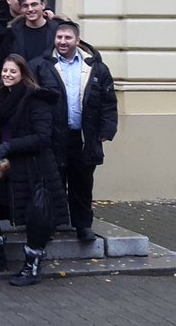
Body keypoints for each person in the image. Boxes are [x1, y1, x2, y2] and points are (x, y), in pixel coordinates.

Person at [0, 55, 68, 287]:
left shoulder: (36, 98)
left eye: (12, 71)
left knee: (36, 217)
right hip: (4, 165)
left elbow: (42, 138)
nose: (7, 75)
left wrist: (11, 146)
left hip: (33, 167)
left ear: (23, 74)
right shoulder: (4, 97)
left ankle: (32, 267)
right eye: (5, 71)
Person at [31, 21, 118, 243]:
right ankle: (50, 225)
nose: (62, 42)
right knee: (53, 182)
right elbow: (32, 101)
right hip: (53, 136)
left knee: (82, 183)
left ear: (77, 40)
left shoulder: (96, 68)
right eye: (59, 37)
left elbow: (108, 101)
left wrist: (107, 129)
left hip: (84, 136)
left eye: (67, 38)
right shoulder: (40, 66)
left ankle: (83, 225)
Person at [0, 0, 59, 64]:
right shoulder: (12, 34)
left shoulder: (57, 31)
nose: (30, 9)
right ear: (21, 9)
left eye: (34, 4)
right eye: (25, 6)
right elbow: (4, 61)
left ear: (43, 5)